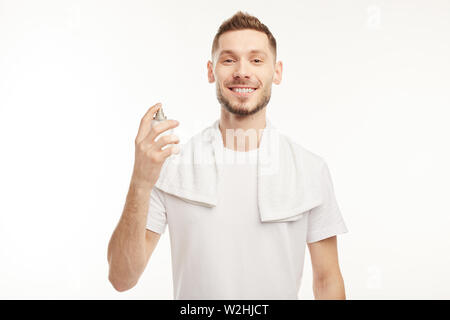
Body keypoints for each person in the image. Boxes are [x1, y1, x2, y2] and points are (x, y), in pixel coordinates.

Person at [107, 11, 348, 300]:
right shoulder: (172, 167)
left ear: (277, 71)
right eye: (229, 59)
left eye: (256, 60)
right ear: (211, 71)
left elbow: (327, 280)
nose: (242, 71)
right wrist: (140, 182)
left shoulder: (310, 170)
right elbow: (122, 278)